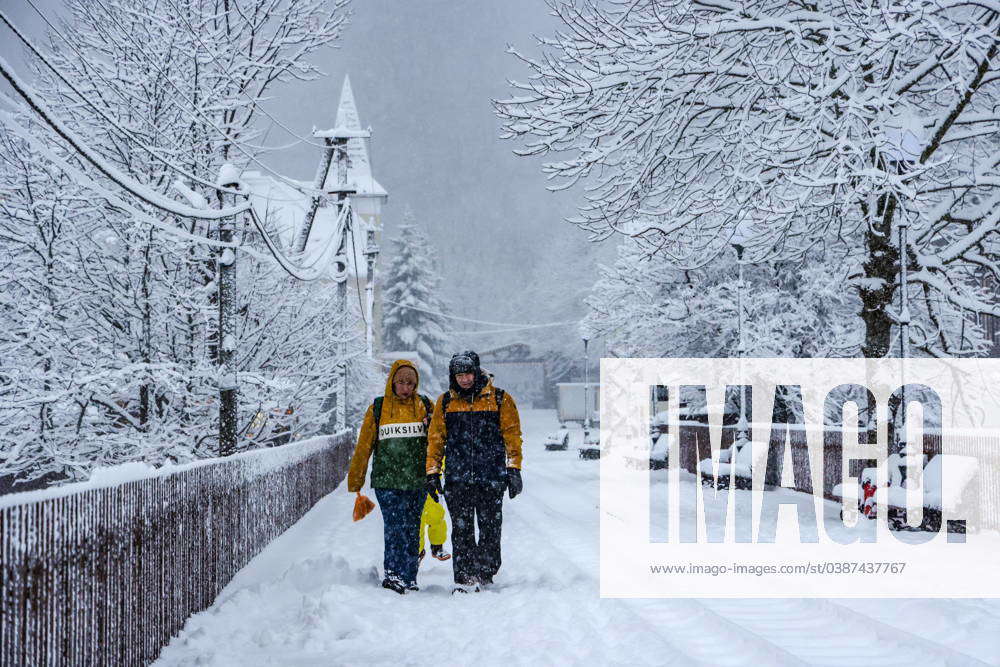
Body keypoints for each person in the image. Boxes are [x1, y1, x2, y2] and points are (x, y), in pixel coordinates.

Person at [426, 351, 523, 593]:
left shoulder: (499, 399)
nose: (465, 379)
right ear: (453, 376)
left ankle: (486, 571)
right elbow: (436, 439)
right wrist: (432, 472)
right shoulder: (446, 402)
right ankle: (465, 576)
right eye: (459, 375)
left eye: (468, 374)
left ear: (476, 371)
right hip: (458, 479)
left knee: (490, 528)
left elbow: (512, 436)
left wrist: (513, 469)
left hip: (491, 477)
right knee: (461, 530)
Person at [348, 360, 433, 594]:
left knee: (412, 528)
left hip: (417, 480)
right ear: (392, 382)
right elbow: (364, 446)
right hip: (387, 481)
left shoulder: (425, 405)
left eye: (410, 383)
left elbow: (440, 435)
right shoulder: (378, 408)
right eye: (401, 382)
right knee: (394, 527)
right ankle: (393, 575)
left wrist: (432, 423)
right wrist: (356, 481)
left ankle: (409, 576)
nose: (406, 387)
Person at [417, 492, 451, 563]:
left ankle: (437, 546)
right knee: (417, 520)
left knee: (436, 513)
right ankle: (418, 550)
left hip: (432, 485)